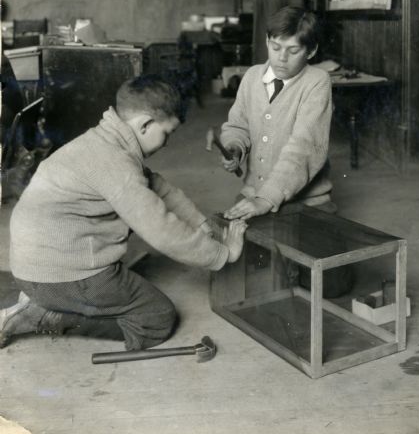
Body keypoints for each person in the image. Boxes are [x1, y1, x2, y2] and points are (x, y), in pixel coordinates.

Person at [0, 75, 246, 350]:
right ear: (144, 124)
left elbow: (161, 189)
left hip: (35, 268)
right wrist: (222, 255)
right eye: (167, 133)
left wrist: (203, 226)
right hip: (58, 276)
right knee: (156, 319)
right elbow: (162, 231)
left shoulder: (105, 141)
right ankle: (46, 316)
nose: (167, 143)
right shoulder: (115, 162)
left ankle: (47, 303)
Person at [220, 6, 334, 221]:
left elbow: (304, 146)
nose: (282, 58)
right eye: (275, 47)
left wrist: (267, 198)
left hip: (309, 200)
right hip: (254, 192)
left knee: (306, 248)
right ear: (266, 41)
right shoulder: (252, 76)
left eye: (293, 51)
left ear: (311, 51)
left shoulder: (317, 82)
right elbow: (238, 126)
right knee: (242, 244)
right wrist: (234, 147)